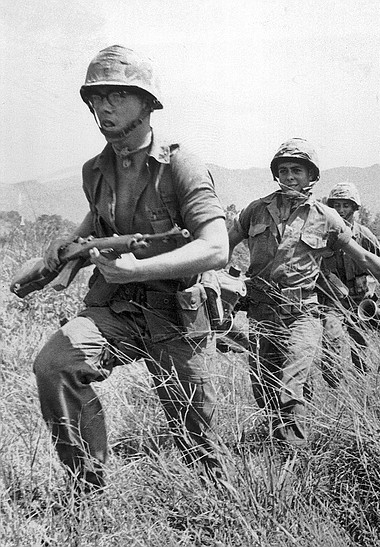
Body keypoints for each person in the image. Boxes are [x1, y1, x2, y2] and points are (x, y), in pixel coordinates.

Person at [32, 45, 230, 492]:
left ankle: (223, 509)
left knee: (197, 439)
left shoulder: (181, 165)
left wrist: (138, 271)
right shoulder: (94, 170)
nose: (103, 106)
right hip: (115, 308)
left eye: (117, 95)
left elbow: (216, 248)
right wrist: (68, 244)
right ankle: (89, 487)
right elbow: (100, 223)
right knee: (55, 364)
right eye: (96, 97)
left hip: (175, 315)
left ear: (147, 103)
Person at [227, 139, 380, 445]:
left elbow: (364, 257)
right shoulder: (255, 211)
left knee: (290, 385)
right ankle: (277, 439)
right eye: (283, 170)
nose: (289, 176)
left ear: (311, 176)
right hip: (262, 312)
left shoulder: (326, 218)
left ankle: (293, 456)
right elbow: (222, 246)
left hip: (303, 314)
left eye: (297, 170)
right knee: (264, 387)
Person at [317, 182, 380, 385]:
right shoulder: (324, 234)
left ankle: (362, 386)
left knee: (361, 346)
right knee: (331, 340)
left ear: (355, 207)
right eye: (337, 205)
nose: (341, 210)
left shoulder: (365, 235)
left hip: (361, 299)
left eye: (345, 205)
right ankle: (335, 389)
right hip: (333, 300)